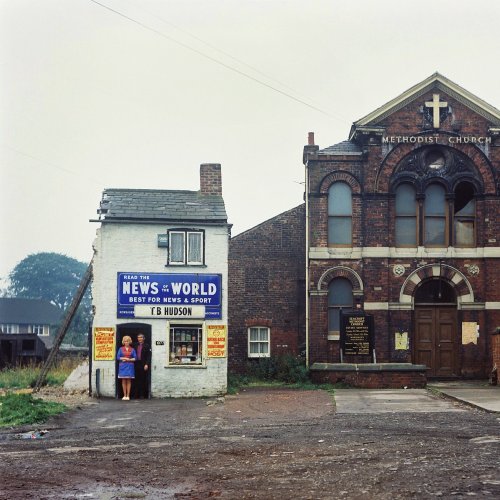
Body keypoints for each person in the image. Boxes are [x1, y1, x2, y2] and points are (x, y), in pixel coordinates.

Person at [117, 336, 136, 400]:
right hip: (122, 366)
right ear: (123, 342)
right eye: (125, 341)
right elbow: (118, 357)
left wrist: (128, 360)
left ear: (129, 342)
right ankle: (124, 395)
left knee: (129, 381)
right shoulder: (120, 349)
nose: (126, 342)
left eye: (127, 341)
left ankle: (128, 395)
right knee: (123, 380)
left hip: (130, 366)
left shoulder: (132, 349)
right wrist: (125, 358)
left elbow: (135, 358)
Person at [134, 333, 151, 399]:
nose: (139, 339)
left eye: (141, 337)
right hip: (136, 363)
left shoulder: (147, 345)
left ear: (144, 338)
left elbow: (148, 356)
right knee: (135, 379)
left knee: (142, 379)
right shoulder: (135, 345)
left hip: (143, 364)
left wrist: (146, 364)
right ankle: (135, 395)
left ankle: (142, 395)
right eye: (138, 337)